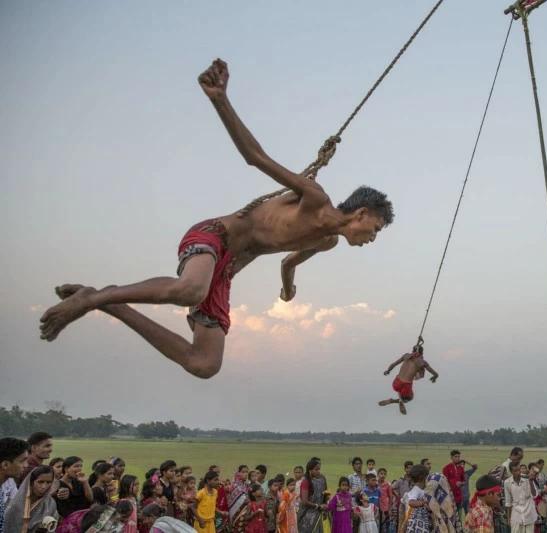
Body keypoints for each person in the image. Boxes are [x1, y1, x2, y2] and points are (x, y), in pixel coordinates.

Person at [38, 59, 395, 380]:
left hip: (224, 270)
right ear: (361, 213)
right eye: (375, 229)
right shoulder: (314, 199)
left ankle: (108, 303)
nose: (373, 238)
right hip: (214, 237)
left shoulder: (327, 241)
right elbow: (255, 157)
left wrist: (288, 291)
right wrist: (220, 99)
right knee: (189, 289)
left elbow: (289, 262)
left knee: (204, 364)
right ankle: (94, 299)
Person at [379, 345, 438, 415]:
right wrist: (435, 377)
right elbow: (434, 373)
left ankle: (399, 399)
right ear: (422, 353)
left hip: (396, 383)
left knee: (400, 387)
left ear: (412, 350)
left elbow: (393, 364)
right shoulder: (422, 362)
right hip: (406, 385)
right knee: (410, 398)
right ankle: (396, 401)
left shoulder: (406, 356)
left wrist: (388, 370)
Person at [3, 465, 57, 533]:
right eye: (40, 482)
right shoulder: (15, 504)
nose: (44, 486)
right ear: (31, 482)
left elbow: (52, 527)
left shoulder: (50, 504)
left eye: (48, 482)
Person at [53, 456, 93, 521]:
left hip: (83, 517)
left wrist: (85, 482)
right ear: (66, 469)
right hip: (69, 521)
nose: (79, 469)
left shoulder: (79, 482)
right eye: (76, 466)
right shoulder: (58, 485)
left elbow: (90, 498)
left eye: (81, 466)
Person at [503, 464, 537, 533]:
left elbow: (534, 495)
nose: (518, 472)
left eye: (519, 470)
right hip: (516, 515)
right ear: (511, 472)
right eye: (515, 471)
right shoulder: (507, 482)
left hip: (529, 514)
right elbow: (508, 502)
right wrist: (509, 519)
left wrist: (531, 481)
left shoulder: (527, 479)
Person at [298, 460, 326, 533]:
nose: (318, 471)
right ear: (310, 470)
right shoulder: (305, 482)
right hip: (306, 516)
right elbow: (304, 501)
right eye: (316, 469)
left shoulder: (320, 481)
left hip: (317, 514)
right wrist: (318, 506)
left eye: (319, 469)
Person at [399, 465, 430, 533]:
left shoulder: (422, 489)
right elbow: (411, 502)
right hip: (416, 520)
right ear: (422, 477)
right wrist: (423, 503)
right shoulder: (416, 489)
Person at [442, 451, 466, 516]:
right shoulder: (446, 468)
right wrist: (454, 483)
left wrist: (461, 483)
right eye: (456, 457)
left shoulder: (461, 468)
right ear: (451, 457)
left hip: (459, 496)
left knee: (459, 515)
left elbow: (464, 480)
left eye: (459, 457)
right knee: (451, 516)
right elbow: (444, 482)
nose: (458, 458)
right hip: (450, 496)